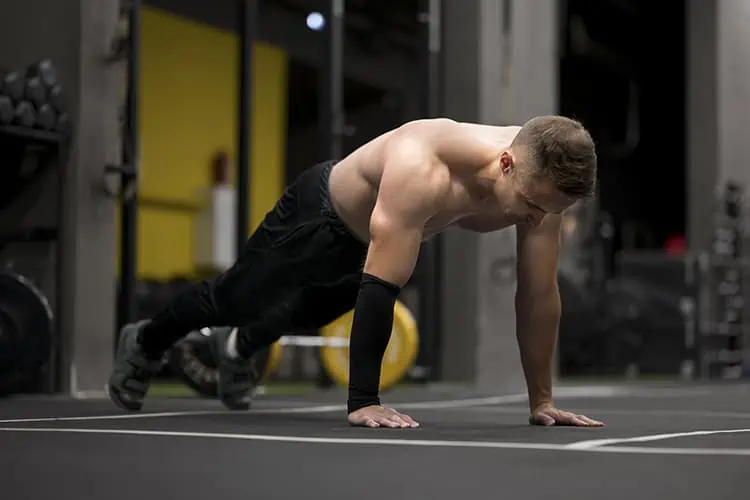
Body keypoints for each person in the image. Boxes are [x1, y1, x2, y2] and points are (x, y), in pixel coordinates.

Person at [108, 115, 604, 429]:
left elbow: (538, 295)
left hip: (371, 237)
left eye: (549, 211)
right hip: (321, 217)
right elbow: (382, 288)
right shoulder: (424, 165)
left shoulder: (542, 189)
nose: (537, 220)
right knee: (235, 299)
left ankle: (236, 349)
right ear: (506, 163)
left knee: (310, 311)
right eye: (532, 206)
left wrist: (542, 401)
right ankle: (146, 341)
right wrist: (363, 401)